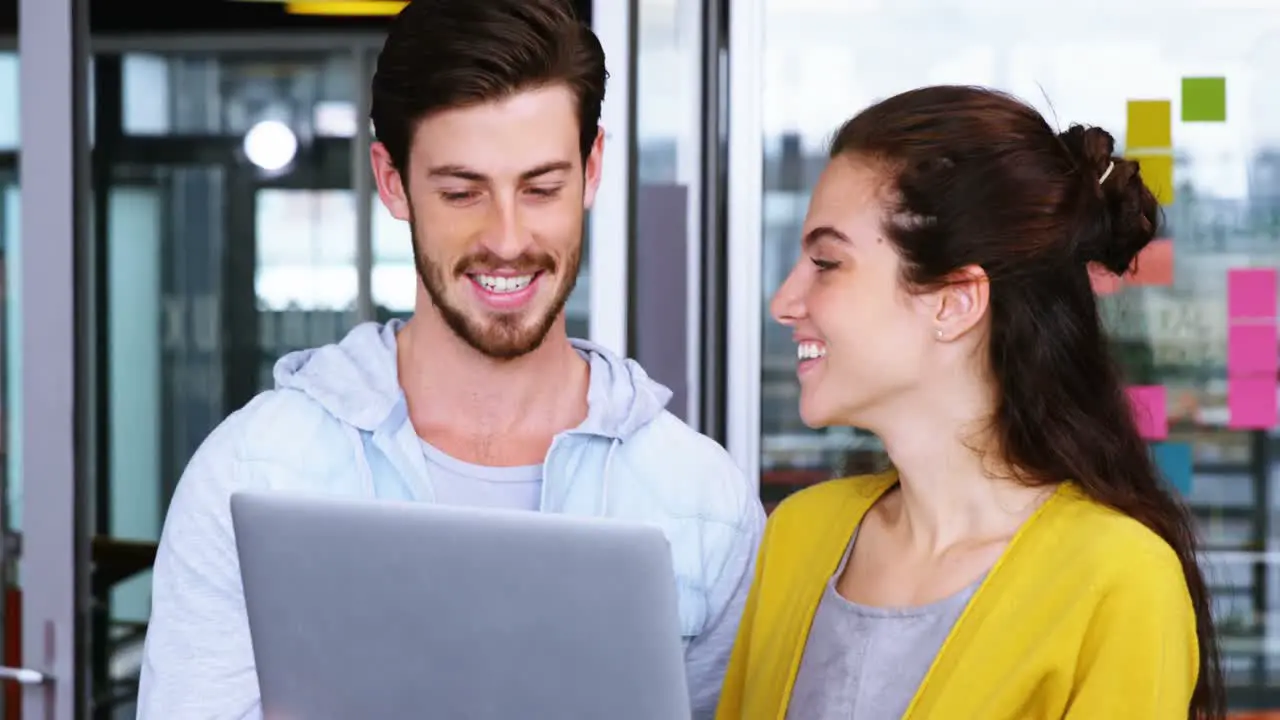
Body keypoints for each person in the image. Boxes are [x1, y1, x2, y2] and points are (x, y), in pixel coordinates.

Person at [136, 1, 764, 717]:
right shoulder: (254, 472)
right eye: (462, 192)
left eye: (541, 188)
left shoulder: (704, 501)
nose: (506, 237)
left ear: (591, 172)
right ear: (393, 181)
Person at [716, 85, 1224, 720]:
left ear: (953, 303)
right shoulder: (798, 534)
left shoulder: (1120, 581)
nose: (784, 302)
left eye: (825, 262)